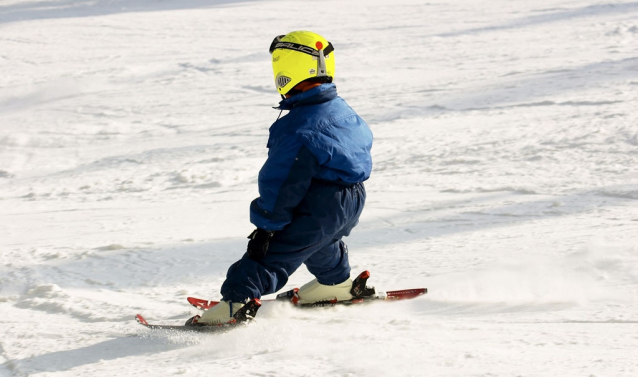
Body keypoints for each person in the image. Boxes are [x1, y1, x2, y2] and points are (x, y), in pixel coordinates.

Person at [196, 30, 373, 325]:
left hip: (320, 203)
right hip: (351, 198)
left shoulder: (298, 128)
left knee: (273, 252)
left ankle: (235, 303)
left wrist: (266, 228)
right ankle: (336, 284)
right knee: (320, 241)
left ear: (286, 69)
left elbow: (281, 183)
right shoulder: (341, 109)